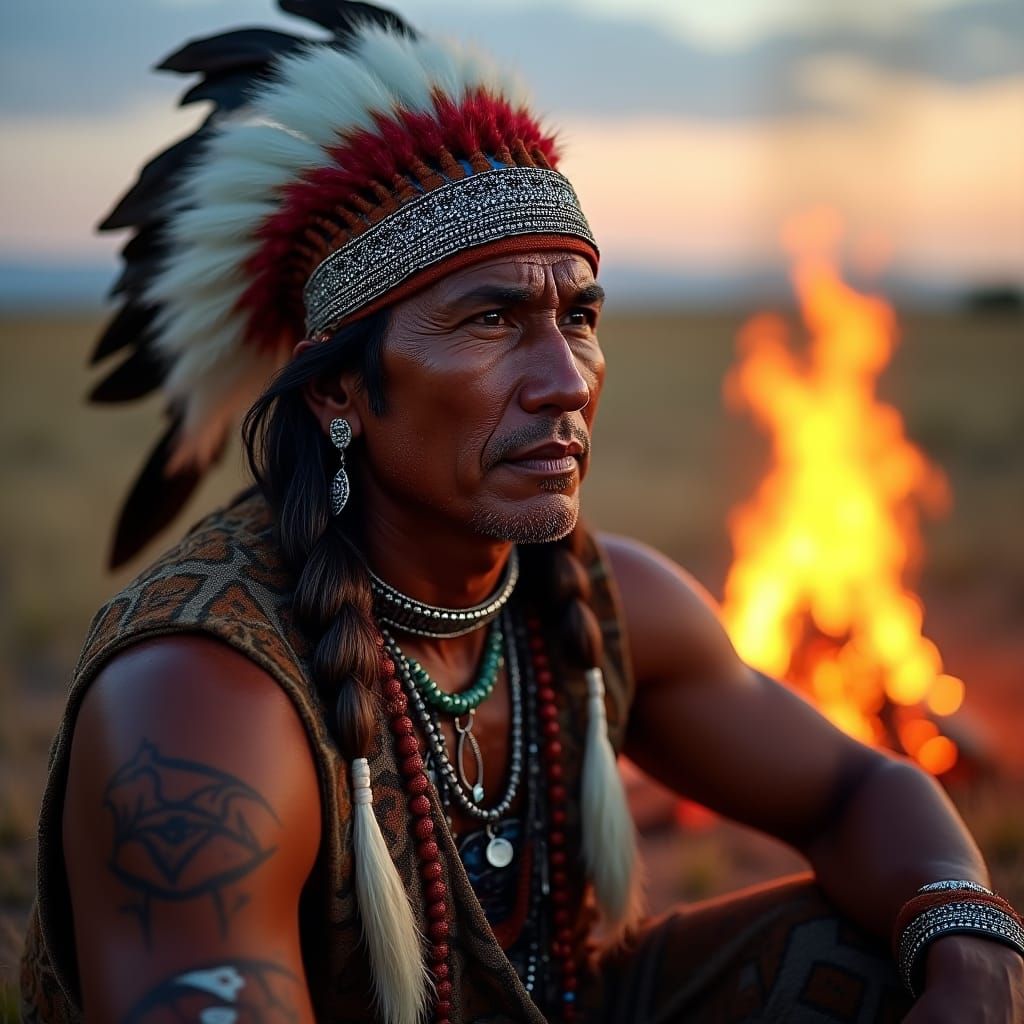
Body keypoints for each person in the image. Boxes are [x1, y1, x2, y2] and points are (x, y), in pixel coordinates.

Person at [20, 3, 1024, 1022]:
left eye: (578, 317)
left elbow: (856, 792)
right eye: (491, 318)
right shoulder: (202, 703)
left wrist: (972, 952)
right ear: (338, 392)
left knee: (886, 942)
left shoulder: (599, 601)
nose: (563, 381)